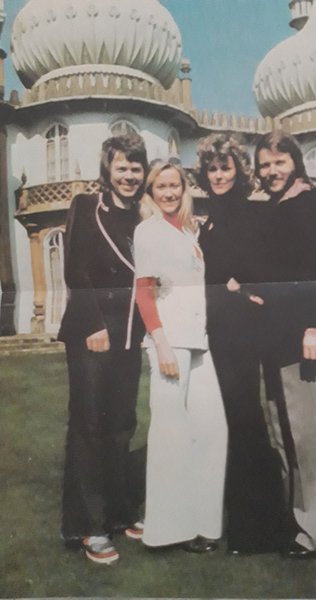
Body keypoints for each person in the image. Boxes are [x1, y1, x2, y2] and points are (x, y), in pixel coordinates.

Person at [253, 130, 316, 558]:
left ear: (295, 162)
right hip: (273, 335)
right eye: (264, 165)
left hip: (301, 336)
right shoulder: (277, 206)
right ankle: (301, 521)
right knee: (286, 431)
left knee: (313, 433)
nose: (271, 171)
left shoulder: (312, 202)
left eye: (279, 162)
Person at [58, 134, 149, 564]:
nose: (129, 176)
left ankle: (118, 512)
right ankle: (88, 527)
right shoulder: (86, 206)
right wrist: (94, 323)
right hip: (92, 328)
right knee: (90, 424)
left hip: (129, 330)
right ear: (107, 169)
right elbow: (75, 269)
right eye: (122, 168)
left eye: (136, 168)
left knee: (121, 425)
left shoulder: (141, 217)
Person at [196, 133, 286, 554]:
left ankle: (258, 530)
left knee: (245, 419)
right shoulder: (210, 220)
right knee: (232, 421)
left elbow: (265, 268)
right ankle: (246, 525)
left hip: (241, 332)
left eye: (225, 168)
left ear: (239, 170)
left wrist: (243, 287)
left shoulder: (250, 212)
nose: (218, 175)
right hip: (218, 331)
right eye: (212, 169)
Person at [134, 160, 227, 552]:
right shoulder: (148, 230)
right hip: (170, 342)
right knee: (170, 432)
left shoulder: (189, 230)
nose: (169, 193)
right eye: (161, 187)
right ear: (151, 192)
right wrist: (161, 343)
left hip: (199, 341)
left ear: (184, 189)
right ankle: (168, 531)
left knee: (211, 428)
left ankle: (204, 523)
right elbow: (144, 291)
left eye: (175, 186)